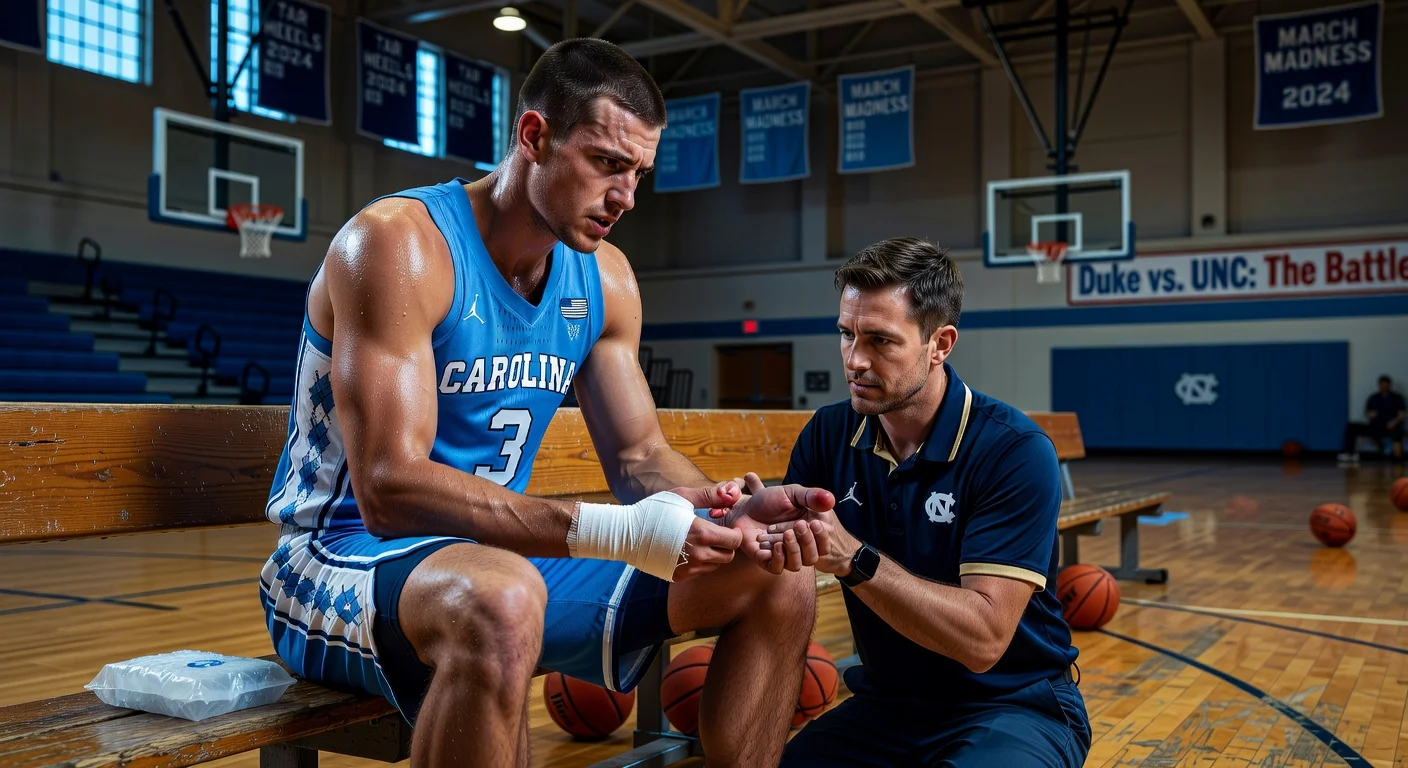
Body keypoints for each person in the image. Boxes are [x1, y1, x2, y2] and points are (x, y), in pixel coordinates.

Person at [258, 38, 832, 768]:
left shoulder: (606, 280)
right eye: (607, 164)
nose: (625, 197)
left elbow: (638, 457)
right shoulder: (399, 246)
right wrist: (621, 532)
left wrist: (716, 508)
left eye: (639, 174)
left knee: (777, 571)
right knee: (502, 601)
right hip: (335, 560)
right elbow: (388, 490)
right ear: (534, 136)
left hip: (498, 563)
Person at [727, 237, 1090, 767]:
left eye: (880, 340)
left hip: (1014, 707)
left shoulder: (1013, 450)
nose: (855, 360)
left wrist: (854, 558)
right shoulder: (829, 434)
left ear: (940, 344)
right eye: (847, 335)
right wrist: (750, 528)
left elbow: (984, 639)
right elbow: (785, 561)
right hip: (886, 708)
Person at [1339, 375, 1405, 463]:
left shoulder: (1397, 398)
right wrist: (1371, 415)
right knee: (1352, 427)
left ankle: (1397, 457)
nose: (1384, 387)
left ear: (1389, 386)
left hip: (1392, 426)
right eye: (1382, 385)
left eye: (1386, 385)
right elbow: (1369, 413)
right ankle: (1350, 454)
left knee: (1398, 432)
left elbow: (1402, 414)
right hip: (1376, 426)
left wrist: (1394, 421)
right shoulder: (1374, 398)